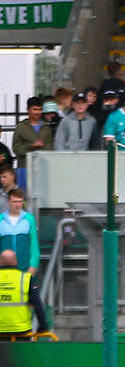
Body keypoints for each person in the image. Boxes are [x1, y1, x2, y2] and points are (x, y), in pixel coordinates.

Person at [0, 189, 48, 331]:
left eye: (20, 201)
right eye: (14, 201)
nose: (17, 205)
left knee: (32, 301)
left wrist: (33, 265)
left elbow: (34, 245)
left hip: (25, 269)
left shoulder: (28, 219)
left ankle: (33, 328)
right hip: (5, 270)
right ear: (9, 202)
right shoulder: (1, 220)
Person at [12, 97, 54, 191]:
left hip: (42, 167)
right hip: (25, 168)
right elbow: (16, 148)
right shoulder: (21, 127)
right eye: (35, 109)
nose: (37, 112)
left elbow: (51, 148)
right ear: (28, 110)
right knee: (25, 196)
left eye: (40, 109)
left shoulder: (46, 127)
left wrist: (41, 147)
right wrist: (31, 146)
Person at [0, 250, 34, 336]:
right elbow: (37, 305)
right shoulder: (25, 278)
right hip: (21, 330)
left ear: (1, 262)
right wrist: (43, 327)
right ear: (16, 262)